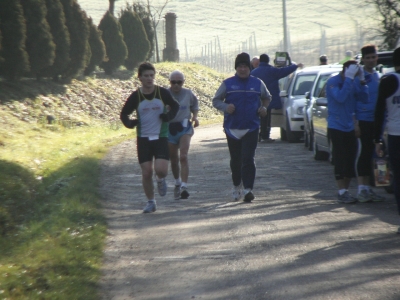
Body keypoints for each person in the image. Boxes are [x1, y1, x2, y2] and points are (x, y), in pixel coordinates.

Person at [120, 62, 180, 213]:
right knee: (146, 172)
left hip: (160, 137)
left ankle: (160, 180)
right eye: (146, 76)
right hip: (143, 138)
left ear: (155, 76)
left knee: (161, 170)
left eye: (151, 76)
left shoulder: (162, 93)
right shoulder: (136, 96)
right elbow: (124, 114)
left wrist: (168, 116)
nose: (149, 79)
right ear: (139, 77)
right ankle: (151, 202)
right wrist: (130, 123)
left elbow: (175, 106)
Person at [213, 52, 271, 202]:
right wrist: (226, 107)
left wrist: (263, 108)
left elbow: (267, 97)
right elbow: (216, 100)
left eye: (245, 66)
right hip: (232, 128)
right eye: (240, 66)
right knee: (236, 160)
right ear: (236, 68)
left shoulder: (258, 83)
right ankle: (236, 185)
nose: (243, 69)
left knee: (248, 158)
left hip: (251, 127)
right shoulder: (228, 83)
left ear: (250, 68)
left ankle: (248, 190)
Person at [327, 60, 368, 204]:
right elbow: (340, 97)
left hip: (349, 126)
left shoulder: (354, 82)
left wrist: (362, 81)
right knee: (340, 158)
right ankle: (341, 191)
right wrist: (349, 79)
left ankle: (346, 191)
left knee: (351, 159)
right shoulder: (333, 82)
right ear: (346, 70)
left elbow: (364, 98)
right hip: (336, 125)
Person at [374, 46, 400, 233]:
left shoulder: (388, 80)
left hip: (394, 134)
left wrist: (377, 139)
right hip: (395, 133)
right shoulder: (391, 80)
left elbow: (379, 111)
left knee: (398, 177)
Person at [355, 44, 385, 202]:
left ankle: (369, 188)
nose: (371, 60)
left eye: (373, 57)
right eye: (368, 58)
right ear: (363, 59)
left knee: (376, 154)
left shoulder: (377, 75)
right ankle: (361, 189)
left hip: (377, 120)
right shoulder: (358, 76)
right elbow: (353, 99)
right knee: (365, 152)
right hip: (363, 119)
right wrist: (355, 123)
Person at [251, 53, 303, 142]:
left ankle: (258, 135)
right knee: (266, 118)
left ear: (260, 61)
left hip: (255, 98)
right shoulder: (272, 71)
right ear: (268, 61)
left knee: (257, 117)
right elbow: (284, 71)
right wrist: (295, 66)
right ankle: (265, 136)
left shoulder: (253, 72)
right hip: (268, 99)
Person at [167, 70, 199, 200]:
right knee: (174, 159)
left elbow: (195, 106)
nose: (176, 85)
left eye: (179, 82)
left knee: (183, 156)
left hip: (184, 127)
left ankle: (184, 186)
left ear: (183, 82)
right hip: (169, 129)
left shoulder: (188, 93)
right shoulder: (165, 94)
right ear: (170, 82)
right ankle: (177, 181)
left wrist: (195, 117)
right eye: (173, 82)